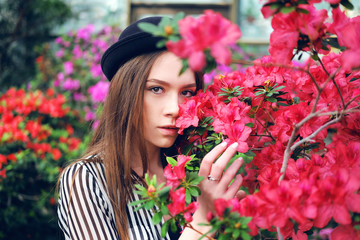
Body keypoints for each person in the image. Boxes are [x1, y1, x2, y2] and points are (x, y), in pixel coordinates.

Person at [57, 16, 244, 240]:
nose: (175, 108)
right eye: (156, 89)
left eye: (187, 93)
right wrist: (203, 219)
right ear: (125, 93)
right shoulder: (89, 179)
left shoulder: (194, 171)